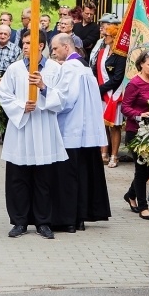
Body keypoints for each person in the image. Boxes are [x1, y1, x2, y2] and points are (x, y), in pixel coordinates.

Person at [0, 29, 67, 240]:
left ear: (41, 45)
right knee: (18, 178)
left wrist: (44, 87)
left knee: (43, 179)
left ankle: (43, 222)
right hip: (22, 128)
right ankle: (19, 221)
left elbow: (63, 98)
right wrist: (21, 106)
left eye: (29, 43)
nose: (25, 47)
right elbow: (4, 94)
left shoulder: (55, 69)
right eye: (24, 43)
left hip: (43, 127)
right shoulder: (15, 69)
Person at [52, 34, 111, 232]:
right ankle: (80, 216)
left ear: (67, 47)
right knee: (83, 174)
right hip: (87, 132)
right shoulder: (85, 68)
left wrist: (45, 94)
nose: (54, 52)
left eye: (55, 48)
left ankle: (68, 219)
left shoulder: (69, 69)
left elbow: (65, 101)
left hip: (70, 129)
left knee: (68, 176)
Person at [121, 49, 149, 219]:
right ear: (141, 64)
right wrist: (140, 115)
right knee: (141, 168)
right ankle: (142, 205)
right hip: (137, 132)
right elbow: (125, 107)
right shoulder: (134, 84)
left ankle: (130, 195)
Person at [92, 23, 126, 168]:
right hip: (102, 94)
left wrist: (100, 89)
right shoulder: (102, 52)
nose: (104, 37)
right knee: (102, 125)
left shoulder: (120, 55)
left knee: (115, 127)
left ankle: (114, 155)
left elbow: (118, 78)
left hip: (114, 95)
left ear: (114, 37)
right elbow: (95, 70)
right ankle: (103, 153)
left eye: (107, 35)